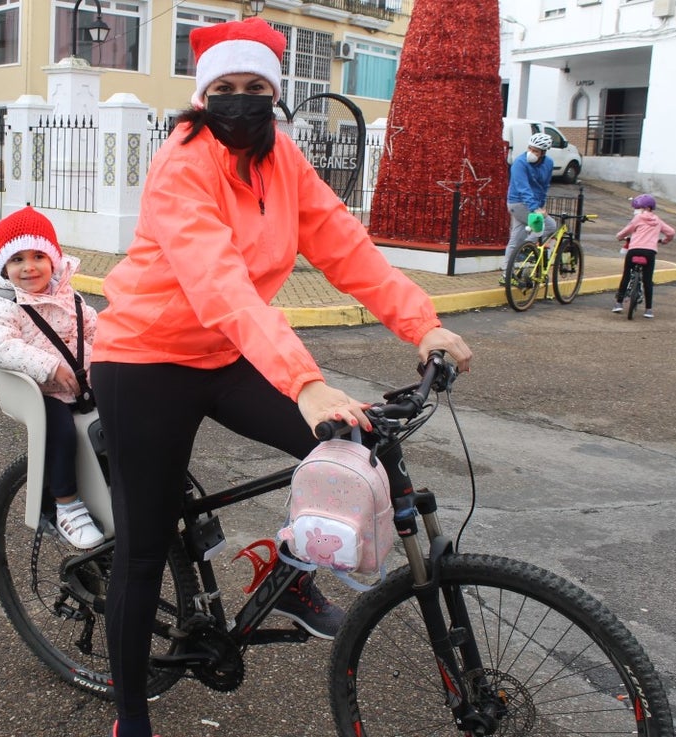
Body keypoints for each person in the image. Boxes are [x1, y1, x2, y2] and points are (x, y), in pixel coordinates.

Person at [89, 18, 473, 737]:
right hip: (145, 359)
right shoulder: (182, 164)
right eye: (225, 89)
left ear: (275, 94)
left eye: (255, 88)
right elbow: (221, 285)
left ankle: (289, 574)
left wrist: (421, 323)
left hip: (227, 354)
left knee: (352, 446)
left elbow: (345, 246)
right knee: (144, 549)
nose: (240, 101)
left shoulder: (283, 160)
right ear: (204, 97)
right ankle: (131, 718)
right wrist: (304, 381)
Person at [0, 205, 105, 549]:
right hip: (41, 392)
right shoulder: (1, 303)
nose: (29, 267)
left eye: (38, 256)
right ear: (3, 266)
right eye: (17, 259)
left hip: (83, 383)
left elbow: (93, 328)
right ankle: (67, 505)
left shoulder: (65, 293)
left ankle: (123, 486)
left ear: (53, 260)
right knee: (60, 432)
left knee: (129, 410)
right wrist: (49, 367)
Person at [503, 132, 558, 278]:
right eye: (530, 148)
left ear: (543, 153)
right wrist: (535, 209)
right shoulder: (520, 163)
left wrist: (541, 206)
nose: (531, 153)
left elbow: (544, 186)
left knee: (515, 239)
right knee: (550, 225)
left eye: (536, 151)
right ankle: (524, 249)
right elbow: (523, 188)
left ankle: (507, 274)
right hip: (518, 203)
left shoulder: (548, 163)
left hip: (532, 204)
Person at [613, 194, 675, 318]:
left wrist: (619, 237)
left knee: (626, 275)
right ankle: (648, 310)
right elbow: (671, 232)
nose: (636, 210)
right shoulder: (658, 221)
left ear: (647, 208)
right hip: (650, 252)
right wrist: (665, 241)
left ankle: (619, 303)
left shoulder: (638, 218)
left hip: (634, 250)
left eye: (638, 208)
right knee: (647, 280)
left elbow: (627, 230)